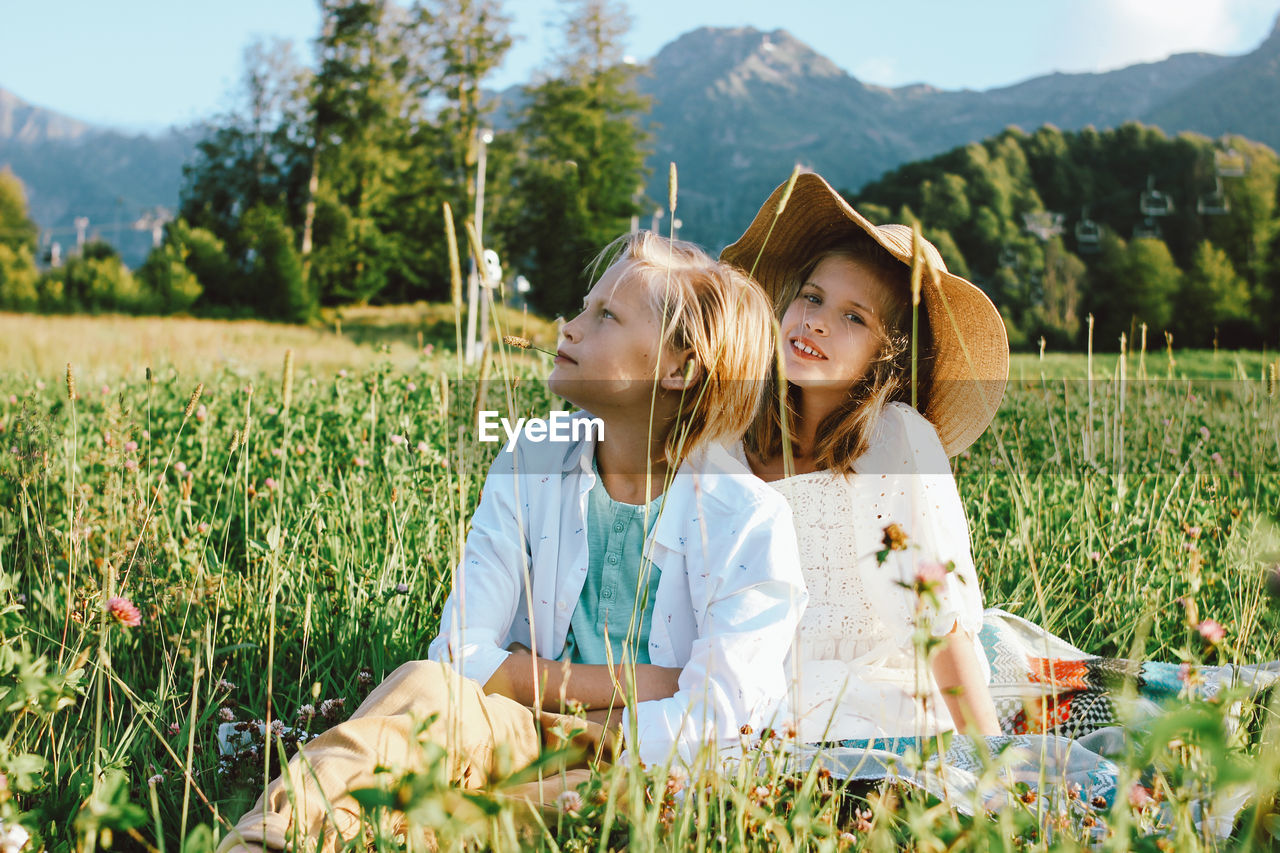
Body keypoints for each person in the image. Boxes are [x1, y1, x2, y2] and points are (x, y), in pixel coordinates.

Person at [217, 231, 807, 853]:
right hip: (523, 728)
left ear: (680, 367)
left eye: (605, 316)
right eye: (584, 306)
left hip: (649, 766)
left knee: (494, 814)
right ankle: (262, 841)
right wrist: (643, 679)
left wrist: (539, 685)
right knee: (422, 686)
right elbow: (457, 654)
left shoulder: (750, 520)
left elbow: (720, 722)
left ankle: (371, 827)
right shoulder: (532, 455)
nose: (568, 326)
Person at [720, 171, 1010, 743]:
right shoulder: (734, 431)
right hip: (742, 678)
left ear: (889, 357)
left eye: (855, 317)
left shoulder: (892, 441)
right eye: (812, 296)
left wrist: (990, 757)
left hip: (866, 688)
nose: (818, 320)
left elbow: (936, 614)